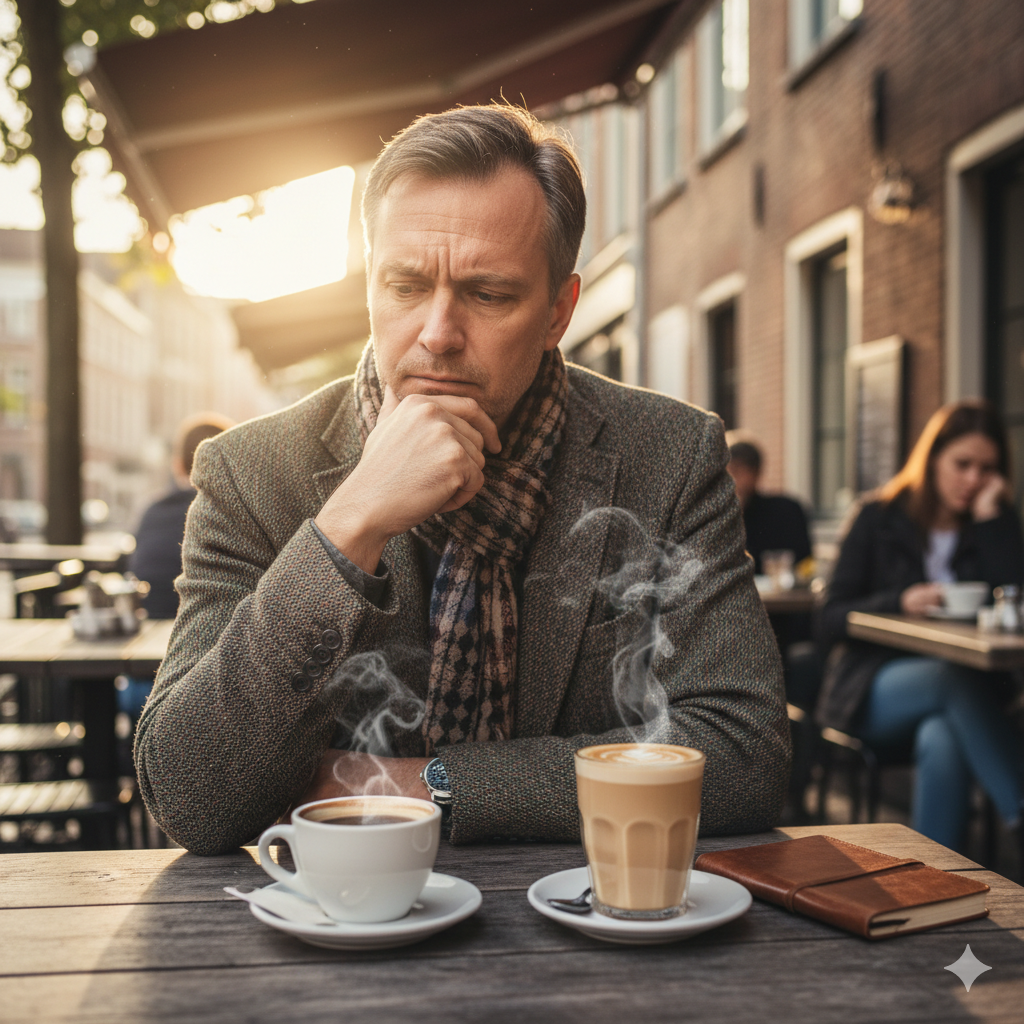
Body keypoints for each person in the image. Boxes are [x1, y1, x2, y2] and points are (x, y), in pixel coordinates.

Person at [134, 104, 789, 855]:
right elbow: (189, 796)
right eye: (405, 286)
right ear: (369, 289)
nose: (438, 334)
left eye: (488, 295)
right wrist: (348, 526)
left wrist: (426, 786)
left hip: (593, 933)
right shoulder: (253, 474)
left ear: (557, 312)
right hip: (328, 937)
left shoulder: (667, 455)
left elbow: (744, 757)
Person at [817, 400, 1024, 850]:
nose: (973, 480)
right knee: (947, 678)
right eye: (962, 464)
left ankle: (932, 880)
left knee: (942, 735)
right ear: (932, 459)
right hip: (871, 690)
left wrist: (992, 521)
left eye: (987, 469)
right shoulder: (877, 517)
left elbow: (1015, 601)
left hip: (967, 703)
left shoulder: (991, 525)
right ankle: (1019, 810)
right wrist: (898, 600)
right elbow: (828, 616)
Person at [118, 413, 233, 721]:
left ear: (177, 465)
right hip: (211, 688)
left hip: (142, 682)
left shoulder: (151, 511)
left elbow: (131, 572)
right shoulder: (235, 516)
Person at [132, 413, 235, 619]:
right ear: (232, 465)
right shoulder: (231, 514)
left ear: (177, 465)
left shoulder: (151, 511)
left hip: (150, 618)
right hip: (206, 627)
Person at [726, 433, 812, 575]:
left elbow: (803, 563)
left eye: (737, 472)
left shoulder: (786, 511)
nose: (731, 480)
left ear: (756, 473)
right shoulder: (714, 515)